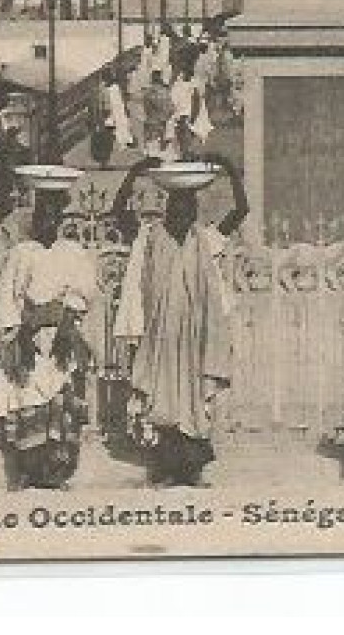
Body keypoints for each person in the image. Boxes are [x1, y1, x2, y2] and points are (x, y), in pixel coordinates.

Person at [112, 152, 249, 486]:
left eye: (188, 208)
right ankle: (165, 470)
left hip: (193, 337)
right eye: (176, 206)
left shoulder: (205, 239)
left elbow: (241, 211)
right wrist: (134, 173)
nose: (181, 212)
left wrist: (230, 169)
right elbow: (118, 213)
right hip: (159, 337)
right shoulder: (149, 236)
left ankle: (193, 471)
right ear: (167, 206)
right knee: (161, 401)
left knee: (193, 403)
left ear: (194, 211)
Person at [0, 169, 100, 490]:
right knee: (28, 398)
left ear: (61, 218)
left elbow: (84, 296)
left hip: (62, 336)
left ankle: (56, 470)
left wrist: (68, 327)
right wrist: (18, 336)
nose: (46, 223)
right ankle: (28, 469)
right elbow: (8, 298)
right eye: (42, 215)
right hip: (30, 336)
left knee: (60, 398)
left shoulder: (74, 253)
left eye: (53, 216)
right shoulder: (22, 253)